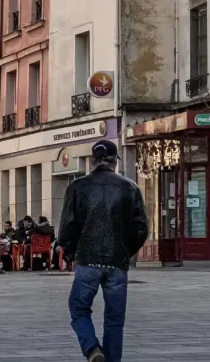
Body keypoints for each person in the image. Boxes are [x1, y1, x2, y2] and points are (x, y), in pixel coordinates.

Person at [58, 138, 151, 362]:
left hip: (87, 259)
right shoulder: (129, 187)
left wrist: (72, 254)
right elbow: (141, 228)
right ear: (114, 161)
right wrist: (124, 251)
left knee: (79, 309)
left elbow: (67, 227)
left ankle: (92, 349)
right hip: (116, 262)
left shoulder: (77, 187)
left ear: (93, 160)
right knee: (114, 319)